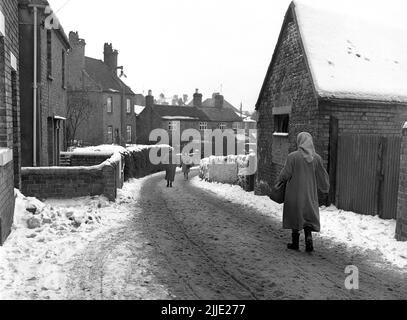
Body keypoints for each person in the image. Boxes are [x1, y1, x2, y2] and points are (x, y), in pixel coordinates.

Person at [277, 132, 330, 253]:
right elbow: (322, 175)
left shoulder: (292, 156)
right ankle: (309, 239)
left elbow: (285, 174)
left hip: (294, 193)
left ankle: (295, 243)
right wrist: (325, 188)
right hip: (310, 193)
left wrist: (280, 180)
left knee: (296, 215)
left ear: (299, 142)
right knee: (308, 216)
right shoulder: (316, 158)